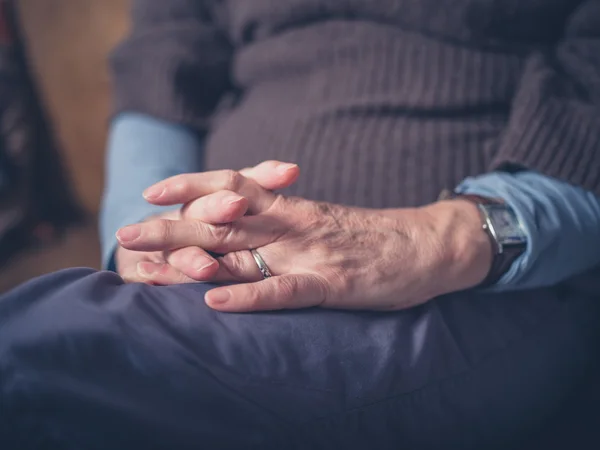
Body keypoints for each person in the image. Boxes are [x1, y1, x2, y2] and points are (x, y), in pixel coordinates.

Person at [1, 0, 600, 448]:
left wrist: (438, 241)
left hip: (478, 281)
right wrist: (148, 235)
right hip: (216, 268)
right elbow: (160, 65)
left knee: (42, 357)